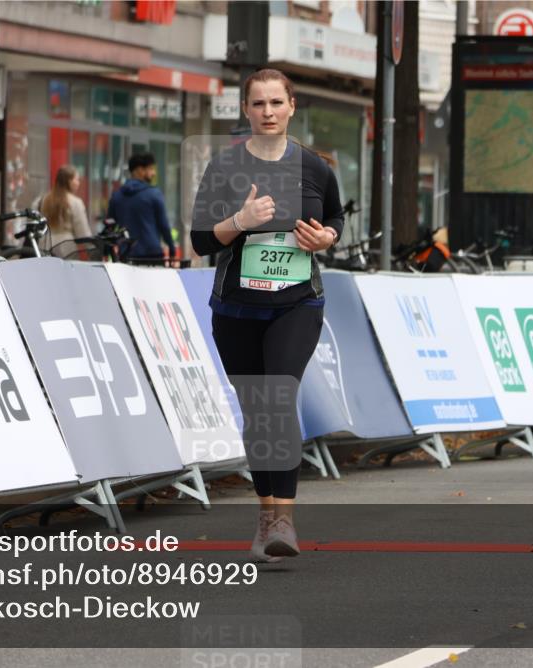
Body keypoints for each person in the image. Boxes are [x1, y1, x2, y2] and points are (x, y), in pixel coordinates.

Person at [190, 69, 343, 561]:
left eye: (277, 102)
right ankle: (265, 514)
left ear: (292, 106)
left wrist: (328, 239)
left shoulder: (315, 168)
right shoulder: (226, 167)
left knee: (279, 394)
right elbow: (198, 240)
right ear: (246, 109)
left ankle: (284, 521)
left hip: (297, 304)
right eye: (259, 104)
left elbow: (336, 218)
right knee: (258, 411)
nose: (268, 112)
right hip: (237, 309)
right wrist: (240, 222)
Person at [107, 152, 175, 263]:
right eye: (150, 169)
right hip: (152, 256)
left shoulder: (117, 196)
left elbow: (109, 227)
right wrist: (172, 249)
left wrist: (107, 252)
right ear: (139, 170)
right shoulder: (154, 194)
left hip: (125, 256)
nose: (153, 173)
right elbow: (164, 226)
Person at [41, 165, 92, 254]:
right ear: (69, 181)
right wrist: (92, 249)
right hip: (66, 250)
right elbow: (83, 233)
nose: (78, 183)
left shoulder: (43, 200)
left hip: (44, 246)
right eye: (76, 179)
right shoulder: (75, 203)